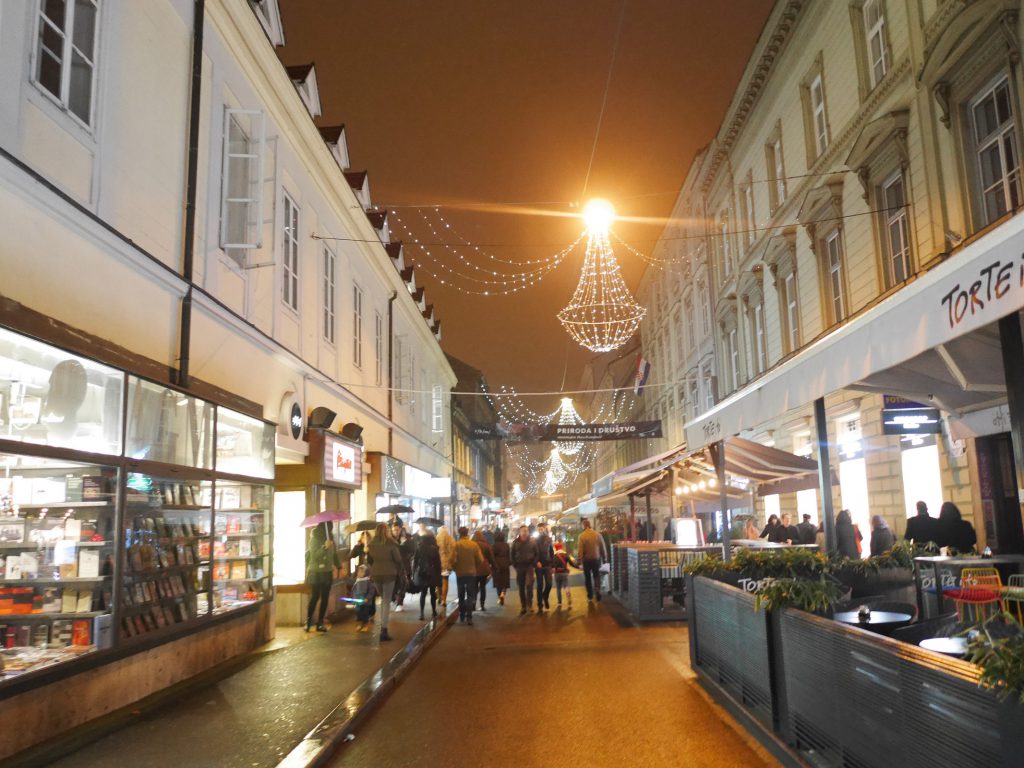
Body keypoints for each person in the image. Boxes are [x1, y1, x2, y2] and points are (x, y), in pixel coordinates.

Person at [367, 522, 403, 641]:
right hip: (389, 573)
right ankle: (384, 630)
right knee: (386, 601)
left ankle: (383, 626)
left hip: (376, 573)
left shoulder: (371, 544)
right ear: (386, 531)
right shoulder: (391, 543)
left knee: (383, 599)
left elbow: (370, 559)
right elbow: (398, 559)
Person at [305, 523, 340, 632]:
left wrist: (339, 566)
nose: (330, 530)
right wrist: (325, 547)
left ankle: (320, 622)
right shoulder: (314, 539)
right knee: (315, 596)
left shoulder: (330, 537)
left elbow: (334, 554)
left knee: (325, 597)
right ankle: (309, 621)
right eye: (328, 528)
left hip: (327, 572)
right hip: (316, 572)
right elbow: (315, 556)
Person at [453, 526, 483, 624]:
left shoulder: (456, 545)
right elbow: (480, 560)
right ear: (467, 534)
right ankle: (469, 616)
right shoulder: (473, 545)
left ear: (459, 534)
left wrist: (455, 568)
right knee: (470, 595)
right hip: (471, 573)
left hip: (460, 573)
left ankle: (461, 614)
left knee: (461, 595)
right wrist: (475, 567)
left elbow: (452, 559)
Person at [411, 528, 442, 620]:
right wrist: (438, 576)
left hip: (422, 574)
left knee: (423, 593)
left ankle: (421, 613)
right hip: (432, 574)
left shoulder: (419, 548)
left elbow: (415, 562)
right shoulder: (434, 549)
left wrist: (413, 574)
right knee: (433, 593)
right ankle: (433, 611)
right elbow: (438, 564)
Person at [511, 525, 539, 615]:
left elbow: (537, 554)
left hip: (529, 566)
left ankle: (529, 604)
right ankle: (523, 606)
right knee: (521, 587)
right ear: (520, 532)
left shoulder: (532, 542)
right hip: (520, 567)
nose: (525, 532)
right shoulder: (515, 543)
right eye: (523, 531)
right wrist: (515, 565)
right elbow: (511, 555)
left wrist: (534, 562)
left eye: (526, 531)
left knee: (529, 585)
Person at [577, 518, 607, 603]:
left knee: (587, 578)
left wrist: (579, 560)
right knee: (596, 575)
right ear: (590, 525)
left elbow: (580, 550)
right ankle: (597, 590)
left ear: (584, 526)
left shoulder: (581, 536)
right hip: (596, 559)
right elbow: (602, 547)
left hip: (586, 560)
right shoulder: (597, 534)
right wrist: (605, 558)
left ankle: (590, 595)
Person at [391, 523, 415, 612]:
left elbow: (412, 550)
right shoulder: (390, 539)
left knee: (403, 584)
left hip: (404, 566)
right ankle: (394, 598)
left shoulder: (407, 537)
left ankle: (400, 602)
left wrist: (404, 544)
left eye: (397, 530)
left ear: (400, 529)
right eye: (394, 530)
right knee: (394, 585)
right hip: (393, 566)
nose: (395, 532)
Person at [472, 529, 496, 610]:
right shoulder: (486, 545)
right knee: (482, 587)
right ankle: (482, 605)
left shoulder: (472, 544)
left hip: (474, 569)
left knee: (474, 587)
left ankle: (473, 604)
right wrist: (494, 566)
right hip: (484, 569)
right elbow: (491, 558)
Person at [534, 522, 555, 611]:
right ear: (537, 530)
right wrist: (536, 562)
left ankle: (545, 596)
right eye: (539, 529)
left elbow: (552, 553)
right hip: (539, 566)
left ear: (544, 529)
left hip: (547, 565)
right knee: (539, 585)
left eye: (541, 529)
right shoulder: (534, 540)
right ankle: (540, 605)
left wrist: (553, 565)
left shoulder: (548, 539)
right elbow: (532, 553)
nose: (540, 530)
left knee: (549, 584)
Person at [351, 564, 377, 632]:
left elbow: (371, 591)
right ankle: (360, 624)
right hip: (358, 602)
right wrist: (354, 598)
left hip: (366, 602)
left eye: (362, 572)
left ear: (366, 573)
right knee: (358, 613)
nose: (359, 573)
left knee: (365, 613)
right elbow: (354, 590)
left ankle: (365, 624)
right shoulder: (357, 581)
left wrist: (367, 598)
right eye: (359, 572)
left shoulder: (368, 581)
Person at [552, 541, 578, 608]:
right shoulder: (565, 555)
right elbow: (571, 563)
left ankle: (559, 603)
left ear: (556, 548)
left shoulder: (554, 556)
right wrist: (578, 567)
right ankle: (567, 591)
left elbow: (551, 565)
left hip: (557, 573)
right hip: (564, 573)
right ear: (561, 547)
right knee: (566, 585)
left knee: (558, 588)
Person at [436, 525, 456, 604]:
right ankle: (444, 600)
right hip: (446, 563)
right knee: (445, 580)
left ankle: (439, 597)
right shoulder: (450, 538)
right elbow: (453, 550)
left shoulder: (436, 538)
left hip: (437, 562)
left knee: (438, 581)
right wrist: (450, 560)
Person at [491, 529, 511, 605]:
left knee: (498, 582)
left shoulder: (494, 546)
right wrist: (509, 563)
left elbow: (492, 557)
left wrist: (493, 565)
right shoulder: (506, 545)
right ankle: (503, 592)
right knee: (505, 582)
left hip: (497, 565)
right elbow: (509, 555)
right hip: (505, 564)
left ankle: (499, 595)